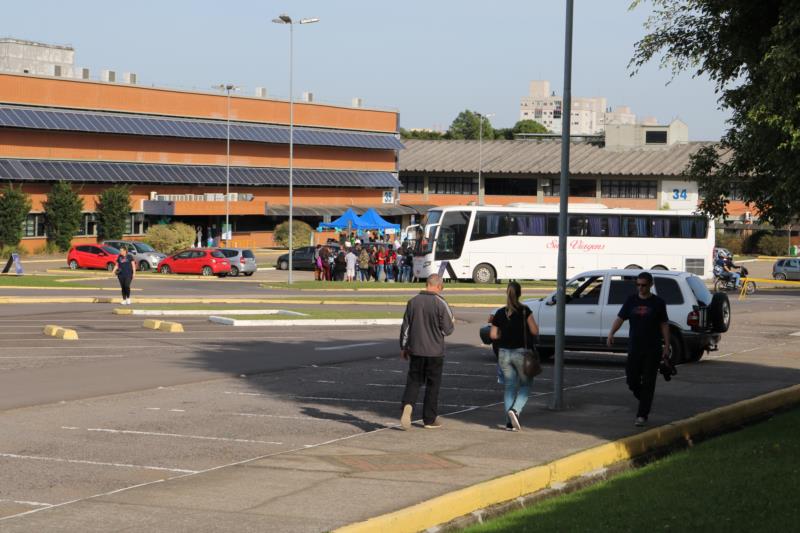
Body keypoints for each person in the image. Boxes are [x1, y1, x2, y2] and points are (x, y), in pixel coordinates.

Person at [607, 272, 670, 427]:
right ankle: (645, 399)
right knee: (632, 380)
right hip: (635, 348)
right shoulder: (631, 300)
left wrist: (667, 346)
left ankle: (642, 414)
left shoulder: (658, 303)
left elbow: (664, 324)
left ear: (650, 285)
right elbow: (620, 318)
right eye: (638, 285)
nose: (640, 288)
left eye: (644, 285)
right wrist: (611, 333)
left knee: (649, 382)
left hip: (652, 349)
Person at [399, 274, 455, 429]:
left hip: (416, 350)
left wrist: (404, 347)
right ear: (438, 286)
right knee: (432, 385)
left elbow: (406, 328)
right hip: (435, 351)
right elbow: (448, 329)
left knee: (414, 381)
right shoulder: (441, 303)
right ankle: (429, 419)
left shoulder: (413, 302)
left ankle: (408, 405)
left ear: (426, 284)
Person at [489, 281, 540, 431]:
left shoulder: (499, 312)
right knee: (526, 385)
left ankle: (509, 422)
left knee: (509, 387)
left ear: (507, 293)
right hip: (521, 353)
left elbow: (493, 334)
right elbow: (535, 331)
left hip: (504, 353)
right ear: (520, 293)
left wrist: (503, 333)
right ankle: (515, 410)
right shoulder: (525, 311)